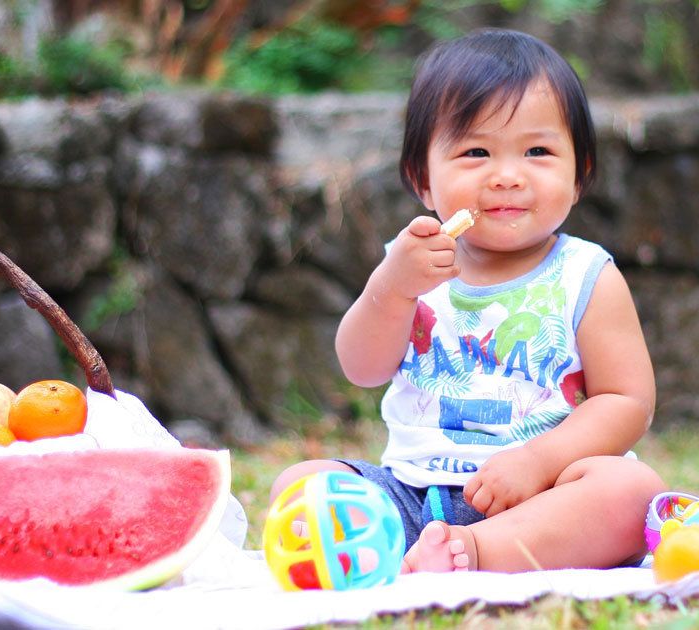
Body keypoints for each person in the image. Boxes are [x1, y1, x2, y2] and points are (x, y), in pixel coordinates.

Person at [270, 28, 664, 573]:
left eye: (538, 151)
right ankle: (417, 550)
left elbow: (627, 401)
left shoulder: (586, 275)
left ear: (580, 176)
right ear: (422, 181)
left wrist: (537, 460)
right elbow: (361, 368)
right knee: (301, 485)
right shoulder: (411, 264)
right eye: (476, 151)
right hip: (411, 493)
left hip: (543, 494)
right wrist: (391, 287)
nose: (507, 176)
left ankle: (478, 552)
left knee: (631, 490)